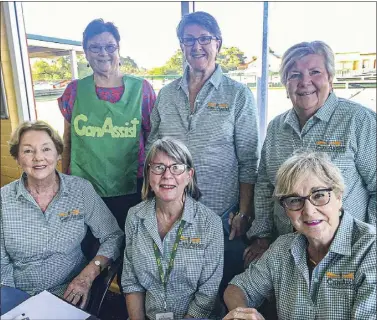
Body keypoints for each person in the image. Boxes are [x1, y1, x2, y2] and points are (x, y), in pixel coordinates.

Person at [147, 11, 260, 297]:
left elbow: (248, 160)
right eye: (189, 40)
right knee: (177, 287)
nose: (197, 46)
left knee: (218, 292)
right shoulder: (167, 94)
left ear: (218, 43)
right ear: (181, 46)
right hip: (171, 215)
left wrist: (244, 212)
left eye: (204, 39)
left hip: (222, 218)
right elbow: (153, 149)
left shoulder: (237, 94)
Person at [244, 40, 376, 267]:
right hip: (286, 253)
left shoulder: (359, 121)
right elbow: (266, 185)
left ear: (330, 78)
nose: (305, 82)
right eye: (294, 75)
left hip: (345, 253)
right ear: (285, 83)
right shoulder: (276, 127)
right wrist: (262, 236)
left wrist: (366, 244)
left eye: (315, 72)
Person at [224, 151, 376, 320]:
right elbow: (236, 288)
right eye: (295, 200)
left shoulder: (371, 250)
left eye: (319, 195)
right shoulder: (283, 248)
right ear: (285, 209)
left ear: (339, 197)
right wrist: (243, 314)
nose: (309, 211)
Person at [0, 121, 123, 309]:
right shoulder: (3, 199)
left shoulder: (80, 190)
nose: (38, 158)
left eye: (46, 149)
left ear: (58, 154)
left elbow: (113, 235)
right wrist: (14, 302)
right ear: (17, 157)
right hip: (18, 294)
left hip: (68, 292)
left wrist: (88, 275)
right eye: (28, 151)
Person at [58, 18, 156, 230]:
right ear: (86, 51)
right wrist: (62, 183)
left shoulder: (142, 90)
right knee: (91, 246)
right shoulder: (73, 91)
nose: (103, 53)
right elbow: (67, 141)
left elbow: (153, 140)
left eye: (109, 46)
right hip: (85, 188)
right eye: (95, 47)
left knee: (130, 244)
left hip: (133, 187)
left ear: (118, 49)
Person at [121, 137, 224, 319]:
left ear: (189, 176)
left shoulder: (210, 223)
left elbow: (207, 292)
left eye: (176, 167)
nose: (167, 175)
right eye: (159, 167)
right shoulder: (134, 216)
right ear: (148, 174)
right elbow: (131, 282)